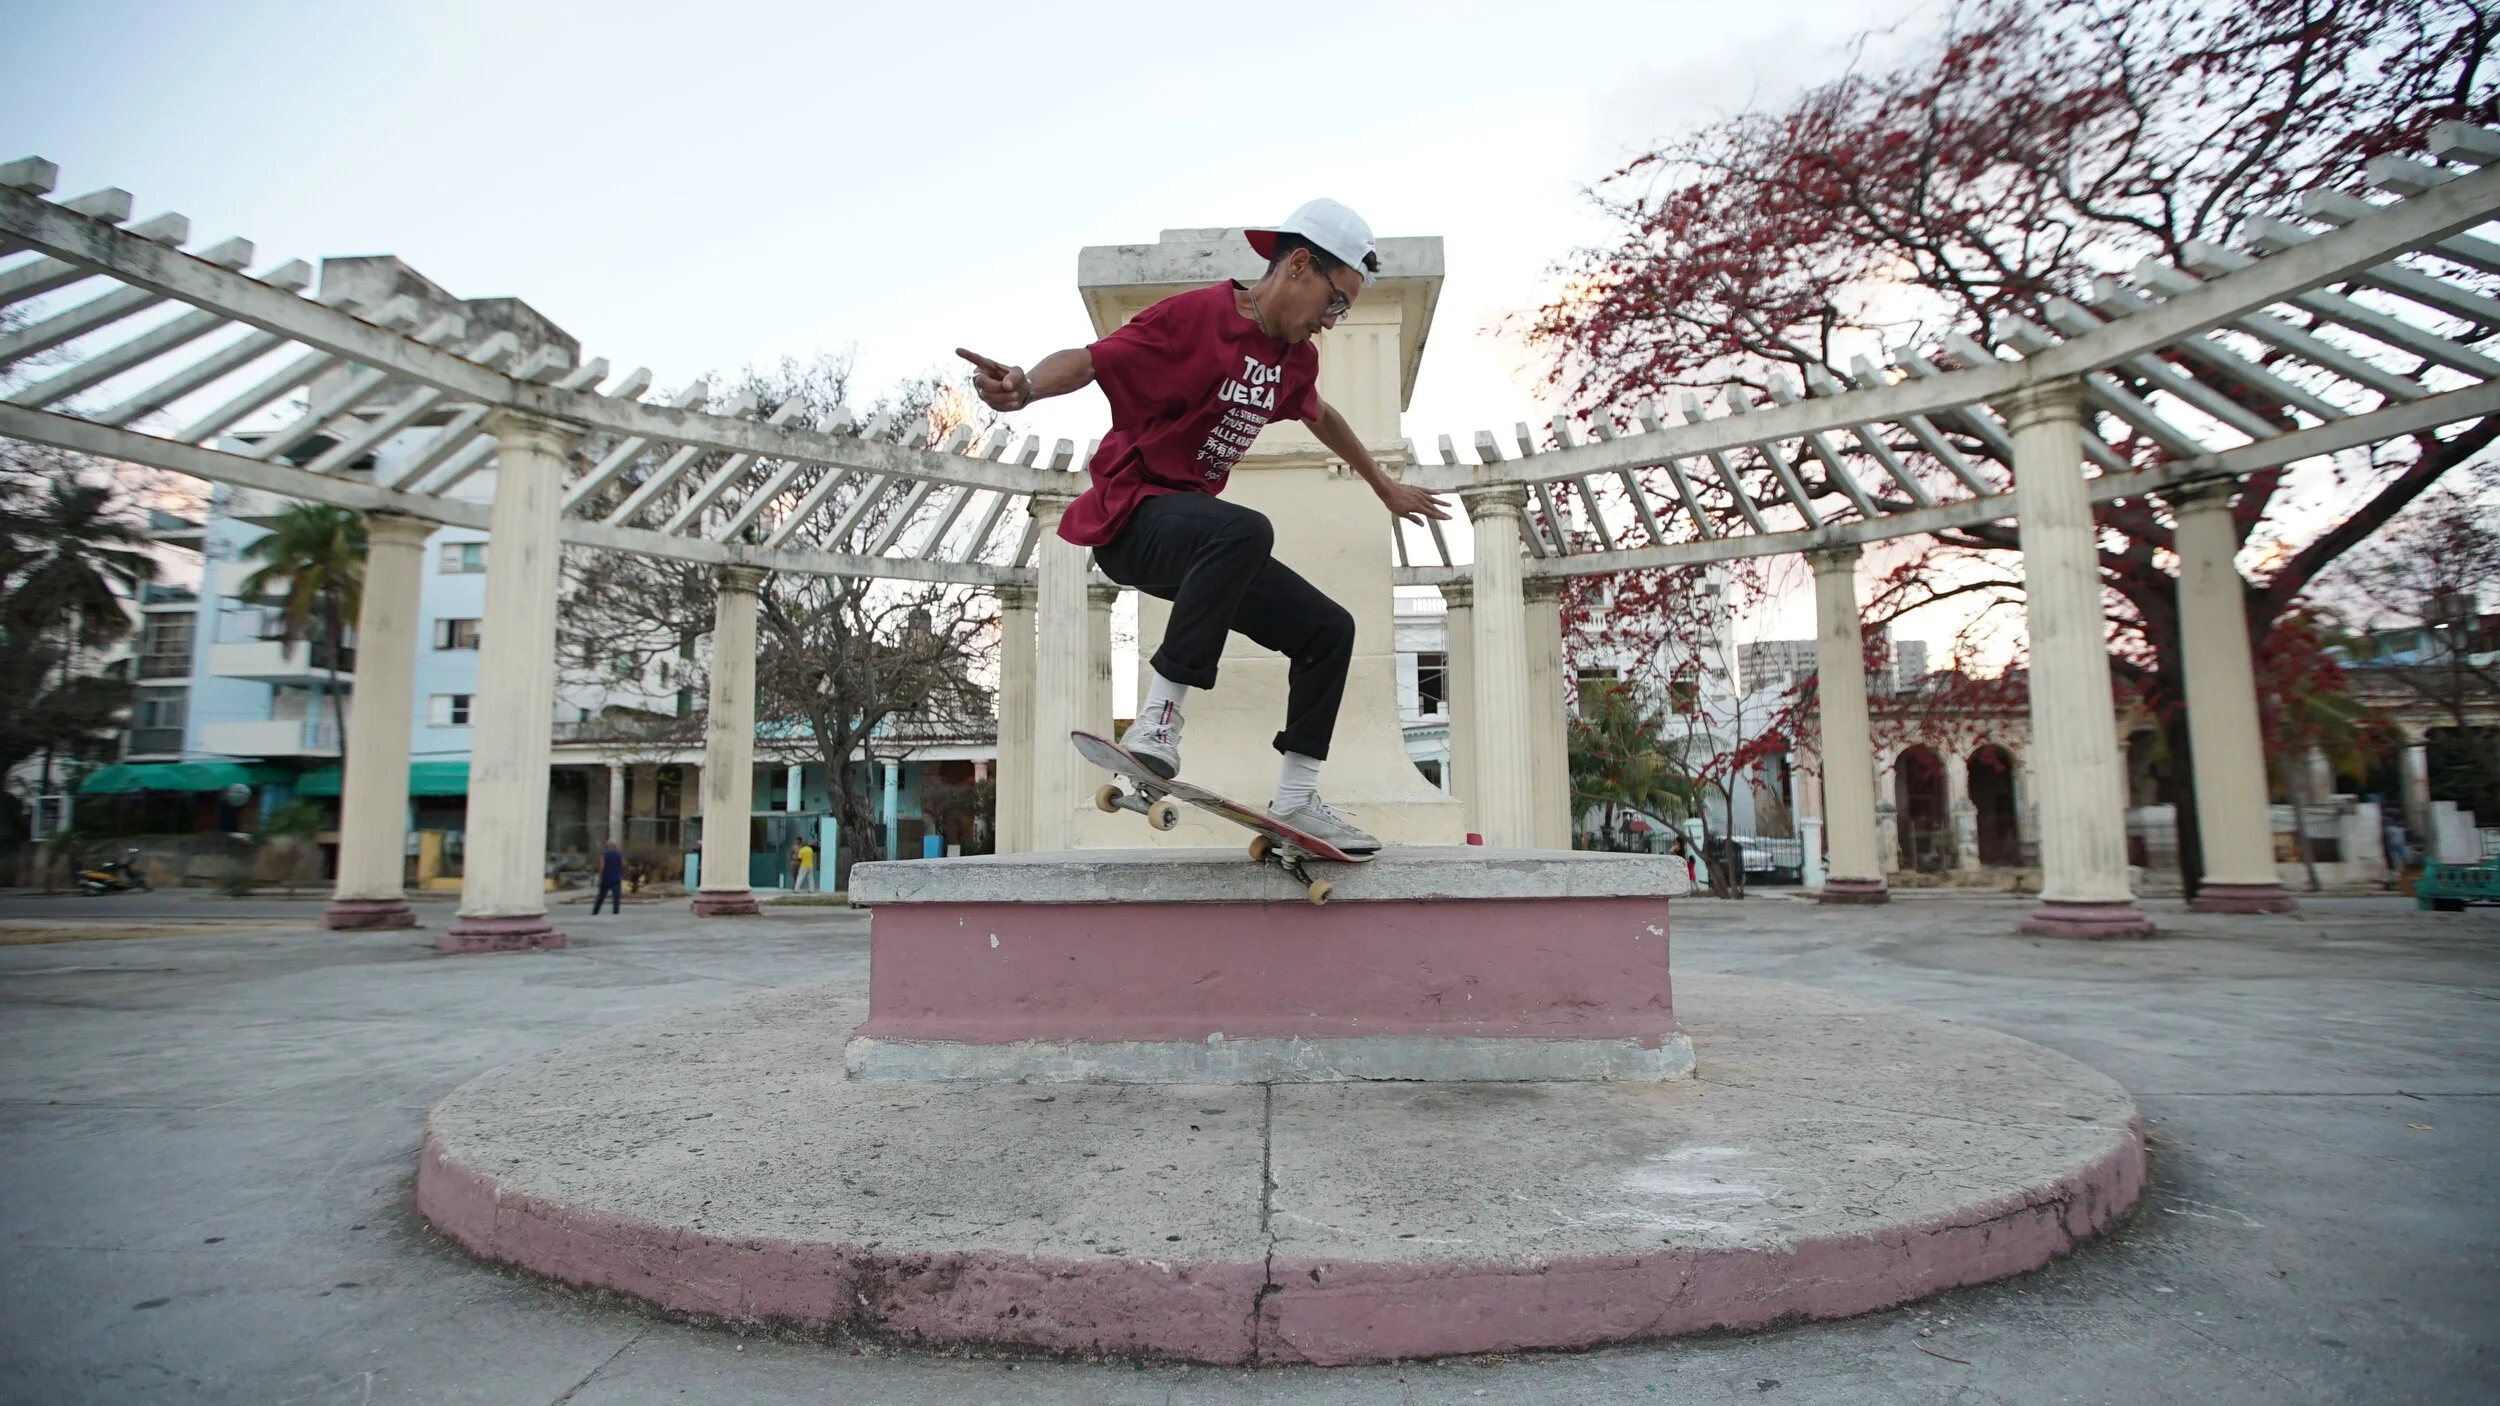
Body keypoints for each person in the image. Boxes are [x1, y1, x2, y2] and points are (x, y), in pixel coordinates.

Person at [957, 199, 1448, 853]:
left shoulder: (1294, 361)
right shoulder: (1197, 317)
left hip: (1201, 544)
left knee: (1329, 630)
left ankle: (1298, 800)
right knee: (1242, 529)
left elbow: (1319, 414)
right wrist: (1024, 388)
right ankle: (1159, 721)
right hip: (1132, 522)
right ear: (1299, 265)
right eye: (1334, 303)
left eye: (1344, 313)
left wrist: (1383, 484)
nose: (1331, 324)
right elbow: (1092, 359)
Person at [593, 840, 625, 915]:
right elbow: (622, 865)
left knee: (601, 896)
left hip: (606, 879)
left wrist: (600, 876)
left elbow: (602, 866)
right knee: (616, 897)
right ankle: (615, 912)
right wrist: (621, 874)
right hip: (616, 878)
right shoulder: (619, 855)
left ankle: (595, 912)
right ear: (615, 847)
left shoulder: (604, 855)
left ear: (608, 847)